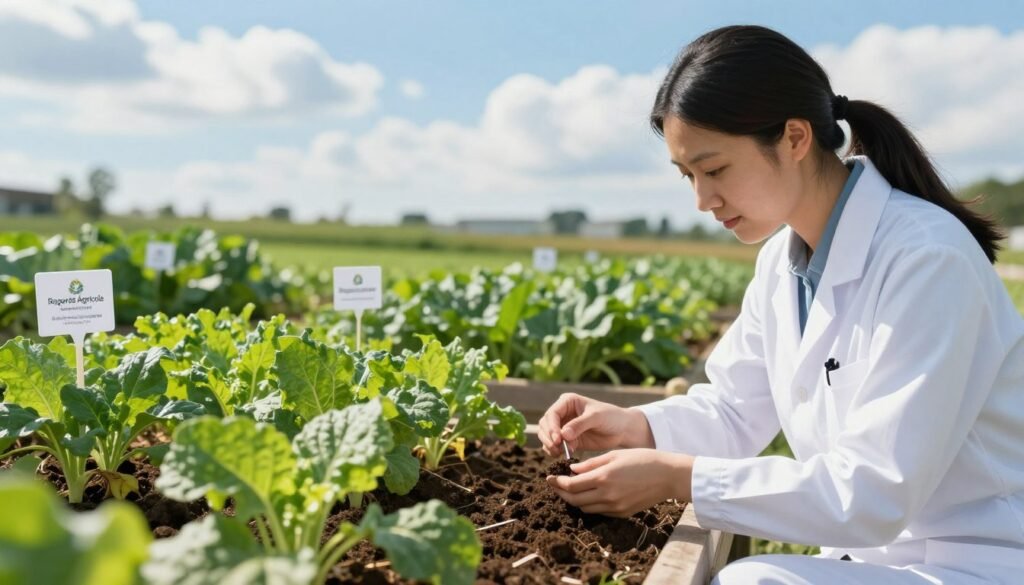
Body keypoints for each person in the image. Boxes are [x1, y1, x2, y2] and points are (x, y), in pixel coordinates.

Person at [539, 25, 1024, 584]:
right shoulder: (782, 264)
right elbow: (734, 410)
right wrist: (634, 426)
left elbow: (872, 492)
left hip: (984, 561)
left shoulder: (927, 258)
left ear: (795, 138)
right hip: (880, 560)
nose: (702, 200)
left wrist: (679, 478)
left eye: (715, 169)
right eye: (687, 175)